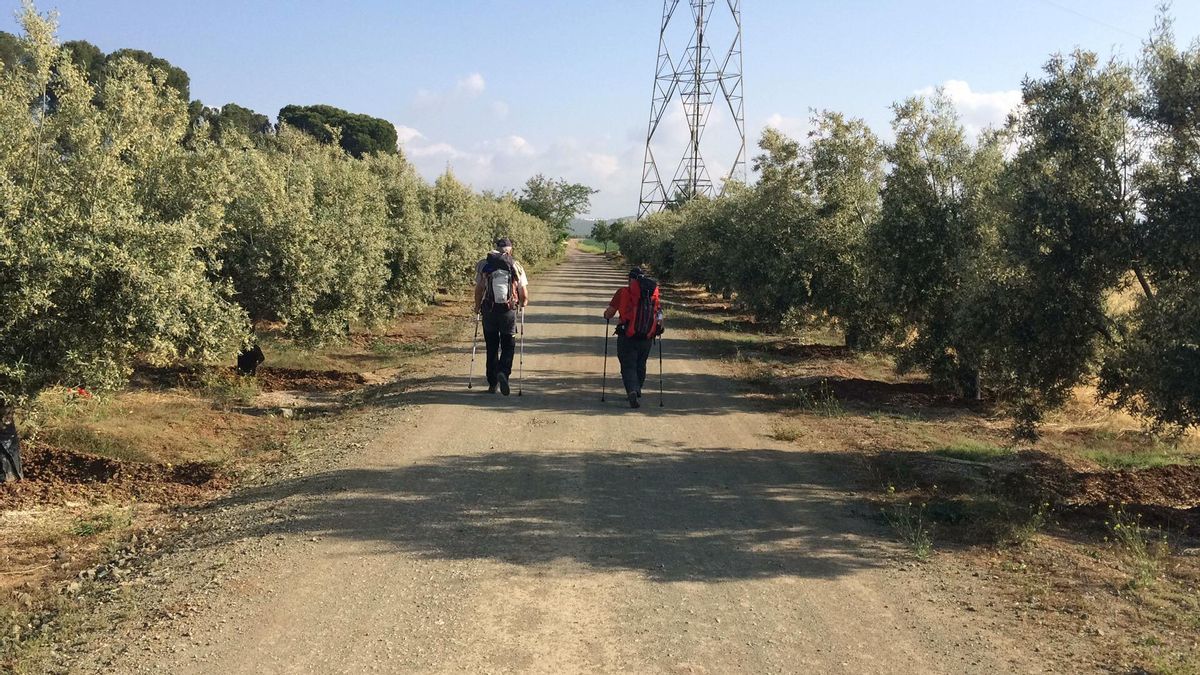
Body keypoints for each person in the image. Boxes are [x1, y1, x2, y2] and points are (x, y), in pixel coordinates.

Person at [603, 267, 664, 408]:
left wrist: (605, 315)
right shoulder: (652, 294)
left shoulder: (623, 292)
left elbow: (610, 313)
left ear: (630, 279)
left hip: (627, 336)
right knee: (641, 363)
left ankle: (632, 390)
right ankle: (638, 388)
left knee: (628, 364)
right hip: (647, 337)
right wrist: (659, 327)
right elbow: (659, 313)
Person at [474, 242, 528, 395]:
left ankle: (492, 384)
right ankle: (503, 372)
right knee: (508, 345)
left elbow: (479, 289)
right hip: (508, 312)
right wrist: (523, 303)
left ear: (495, 249)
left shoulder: (484, 264)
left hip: (489, 310)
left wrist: (477, 306)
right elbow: (523, 293)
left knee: (491, 347)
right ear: (509, 251)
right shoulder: (515, 265)